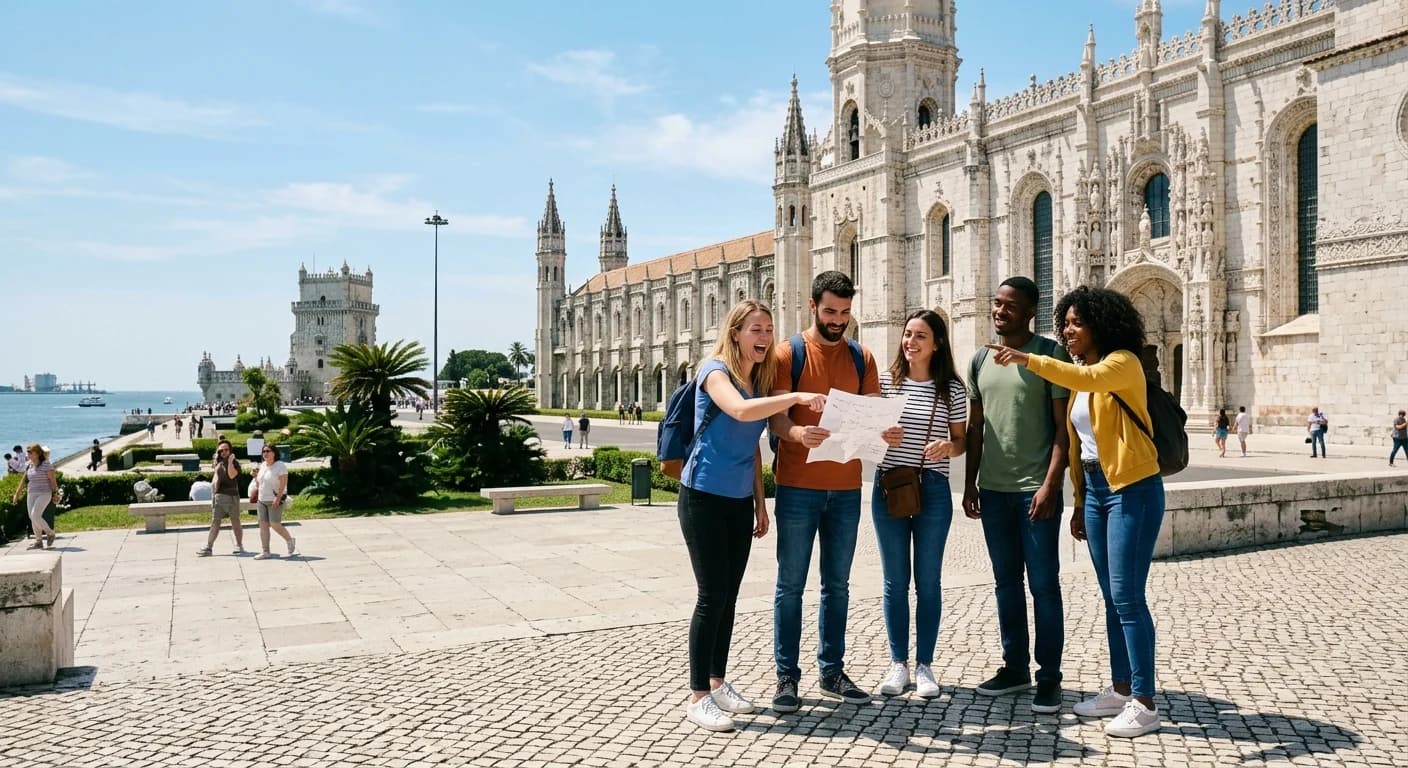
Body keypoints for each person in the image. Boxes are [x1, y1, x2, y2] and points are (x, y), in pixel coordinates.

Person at [984, 285, 1167, 738]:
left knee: (1127, 596)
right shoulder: (1085, 370)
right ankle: (1121, 689)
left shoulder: (1121, 364)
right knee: (1111, 596)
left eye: (1076, 323)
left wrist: (1026, 359)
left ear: (1100, 325)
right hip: (1101, 491)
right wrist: (1082, 503)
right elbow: (1085, 446)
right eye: (1064, 323)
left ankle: (1145, 702)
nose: (1067, 331)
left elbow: (1081, 381)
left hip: (1133, 488)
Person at [677, 299, 827, 732]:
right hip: (702, 496)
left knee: (729, 598)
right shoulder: (715, 372)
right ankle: (698, 696)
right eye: (756, 329)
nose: (764, 337)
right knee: (710, 596)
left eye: (769, 329)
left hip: (739, 501)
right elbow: (740, 413)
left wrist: (761, 504)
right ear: (736, 332)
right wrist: (796, 396)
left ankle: (718, 682)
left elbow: (752, 449)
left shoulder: (758, 380)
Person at [768, 270, 900, 712]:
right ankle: (786, 676)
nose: (838, 320)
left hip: (845, 489)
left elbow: (873, 419)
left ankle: (831, 670)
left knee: (837, 586)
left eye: (844, 312)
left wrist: (888, 432)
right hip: (798, 488)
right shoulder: (789, 353)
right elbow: (776, 418)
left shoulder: (863, 357)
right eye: (830, 312)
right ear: (812, 306)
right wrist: (796, 432)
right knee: (790, 585)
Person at [962, 276, 1072, 714]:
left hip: (1034, 493)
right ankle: (1015, 667)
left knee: (1044, 586)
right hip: (994, 491)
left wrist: (1051, 485)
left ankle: (1049, 678)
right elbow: (975, 429)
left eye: (1010, 305)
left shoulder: (1049, 356)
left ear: (1030, 312)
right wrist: (970, 483)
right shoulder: (980, 360)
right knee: (1006, 584)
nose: (999, 310)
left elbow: (1063, 430)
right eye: (996, 302)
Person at [873, 310, 967, 700]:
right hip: (890, 485)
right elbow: (867, 438)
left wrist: (949, 446)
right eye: (907, 335)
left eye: (920, 336)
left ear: (937, 343)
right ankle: (899, 664)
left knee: (928, 581)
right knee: (895, 581)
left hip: (933, 487)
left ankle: (925, 664)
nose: (910, 342)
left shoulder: (952, 389)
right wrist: (882, 436)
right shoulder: (883, 384)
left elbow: (961, 441)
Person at [197, 439, 246, 556]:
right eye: (221, 450)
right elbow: (215, 479)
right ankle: (209, 547)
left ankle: (239, 545)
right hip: (219, 497)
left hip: (232, 496)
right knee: (215, 522)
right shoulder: (218, 463)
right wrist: (213, 495)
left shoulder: (235, 463)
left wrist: (230, 461)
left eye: (226, 450)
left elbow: (231, 475)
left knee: (235, 521)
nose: (223, 452)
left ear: (230, 451)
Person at [250, 442, 296, 559]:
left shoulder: (280, 465)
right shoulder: (263, 465)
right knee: (263, 525)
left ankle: (289, 540)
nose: (265, 453)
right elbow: (261, 483)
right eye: (263, 451)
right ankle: (265, 551)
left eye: (268, 451)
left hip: (275, 499)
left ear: (274, 453)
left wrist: (278, 498)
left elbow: (283, 483)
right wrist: (255, 476)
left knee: (275, 524)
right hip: (262, 499)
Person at [10, 444, 58, 549]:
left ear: (37, 453)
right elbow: (24, 481)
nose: (28, 454)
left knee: (35, 515)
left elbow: (53, 481)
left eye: (30, 452)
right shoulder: (29, 465)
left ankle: (50, 533)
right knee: (32, 517)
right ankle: (38, 541)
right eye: (28, 452)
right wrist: (16, 494)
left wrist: (55, 494)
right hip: (31, 493)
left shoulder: (46, 465)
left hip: (44, 493)